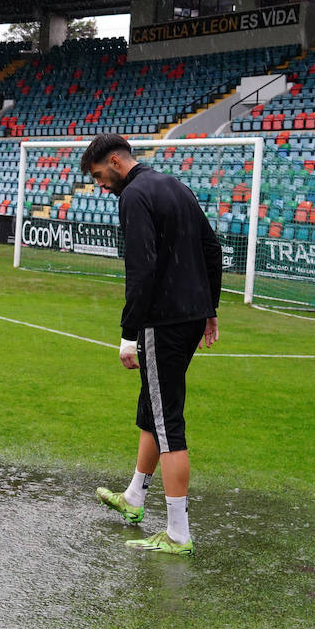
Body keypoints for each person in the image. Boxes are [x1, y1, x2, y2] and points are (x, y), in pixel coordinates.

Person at [80, 134, 221, 555]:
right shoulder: (175, 186)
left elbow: (140, 268)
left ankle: (178, 534)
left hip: (165, 321)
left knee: (167, 422)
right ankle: (134, 497)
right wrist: (209, 310)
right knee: (152, 406)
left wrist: (129, 333)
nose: (100, 185)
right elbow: (212, 249)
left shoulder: (134, 195)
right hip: (190, 316)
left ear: (115, 161)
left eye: (99, 175)